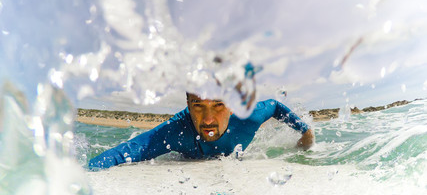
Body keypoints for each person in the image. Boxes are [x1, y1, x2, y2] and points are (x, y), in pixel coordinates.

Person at [88, 93, 314, 170]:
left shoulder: (250, 116)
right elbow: (125, 152)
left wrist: (306, 134)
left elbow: (275, 105)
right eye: (198, 105)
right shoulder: (175, 132)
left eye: (218, 105)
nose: (208, 119)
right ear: (187, 104)